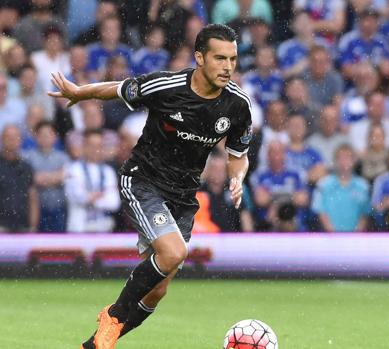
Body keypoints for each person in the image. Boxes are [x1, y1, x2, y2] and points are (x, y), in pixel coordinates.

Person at [49, 24, 252, 349]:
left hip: (183, 197)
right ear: (199, 57)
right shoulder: (167, 85)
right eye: (219, 58)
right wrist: (79, 92)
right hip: (143, 180)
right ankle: (113, 317)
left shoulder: (237, 106)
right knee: (174, 252)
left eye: (233, 59)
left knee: (157, 290)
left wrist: (237, 176)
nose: (228, 67)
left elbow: (238, 154)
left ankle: (93, 346)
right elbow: (118, 89)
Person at [0, 125, 39, 233]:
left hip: (23, 228)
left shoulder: (26, 167)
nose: (12, 141)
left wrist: (32, 228)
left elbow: (33, 200)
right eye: (8, 137)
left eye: (16, 137)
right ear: (2, 140)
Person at [64, 129, 120, 233]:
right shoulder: (73, 168)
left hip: (103, 229)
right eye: (91, 145)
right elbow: (76, 196)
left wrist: (90, 198)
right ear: (84, 147)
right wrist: (100, 196)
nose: (95, 149)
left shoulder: (108, 171)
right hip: (79, 228)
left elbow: (114, 203)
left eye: (99, 146)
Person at [23, 121, 70, 232]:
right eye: (42, 135)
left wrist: (42, 178)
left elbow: (64, 176)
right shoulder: (27, 157)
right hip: (36, 209)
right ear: (35, 136)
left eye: (48, 135)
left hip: (59, 208)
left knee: (58, 244)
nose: (45, 138)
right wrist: (54, 177)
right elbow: (31, 179)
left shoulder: (63, 157)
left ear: (55, 137)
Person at [311, 144, 370, 232]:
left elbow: (365, 213)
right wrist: (334, 235)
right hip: (329, 238)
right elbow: (320, 211)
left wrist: (356, 235)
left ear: (354, 160)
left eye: (347, 157)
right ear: (335, 161)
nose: (343, 161)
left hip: (356, 239)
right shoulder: (323, 184)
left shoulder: (363, 185)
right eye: (340, 158)